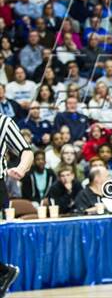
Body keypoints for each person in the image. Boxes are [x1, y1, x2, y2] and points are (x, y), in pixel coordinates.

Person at [0, 113, 34, 294]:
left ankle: (5, 272)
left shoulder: (3, 122)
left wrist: (21, 168)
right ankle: (5, 272)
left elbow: (26, 151)